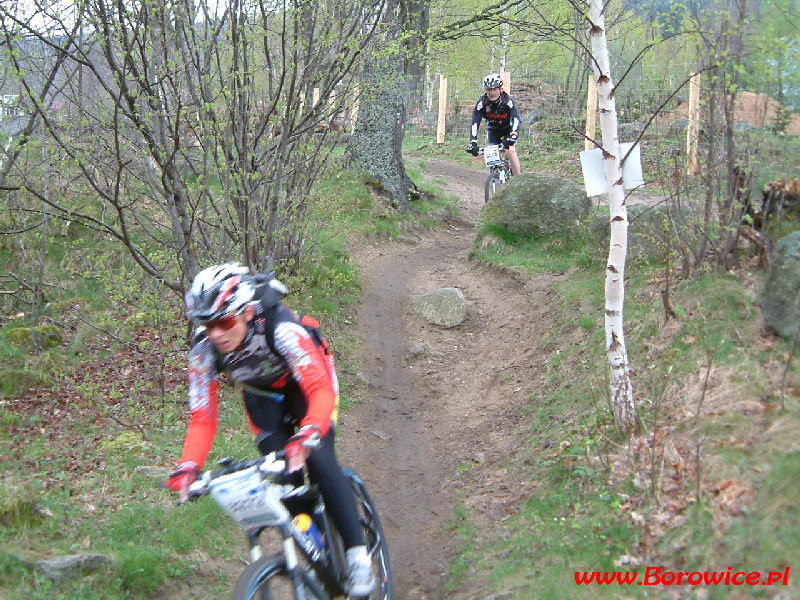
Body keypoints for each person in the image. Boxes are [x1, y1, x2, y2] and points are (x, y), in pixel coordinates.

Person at [164, 262, 376, 597]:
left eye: (223, 322)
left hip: (308, 385)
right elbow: (202, 418)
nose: (215, 333)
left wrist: (310, 431)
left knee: (318, 459)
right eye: (206, 324)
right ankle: (317, 543)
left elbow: (319, 389)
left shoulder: (280, 328)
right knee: (286, 481)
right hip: (262, 396)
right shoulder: (204, 351)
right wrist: (188, 466)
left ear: (247, 312)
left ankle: (357, 555)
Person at [466, 72, 522, 176]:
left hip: (508, 129)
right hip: (493, 130)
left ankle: (518, 179)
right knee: (493, 158)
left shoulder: (508, 101)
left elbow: (516, 119)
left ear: (500, 90)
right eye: (489, 90)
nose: (491, 93)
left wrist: (513, 134)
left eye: (494, 89)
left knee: (510, 151)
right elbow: (474, 123)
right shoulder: (482, 103)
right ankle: (497, 177)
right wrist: (473, 142)